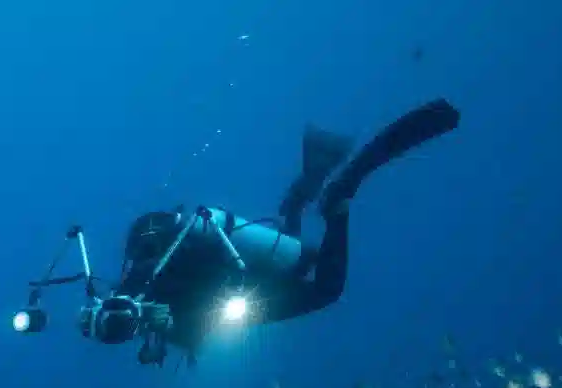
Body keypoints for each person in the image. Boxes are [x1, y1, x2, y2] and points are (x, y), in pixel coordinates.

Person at [111, 99, 460, 365]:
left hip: (232, 291)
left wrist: (157, 327)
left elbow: (176, 311)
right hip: (234, 281)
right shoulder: (138, 292)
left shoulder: (144, 287)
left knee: (324, 288)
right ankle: (301, 197)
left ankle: (336, 204)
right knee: (294, 258)